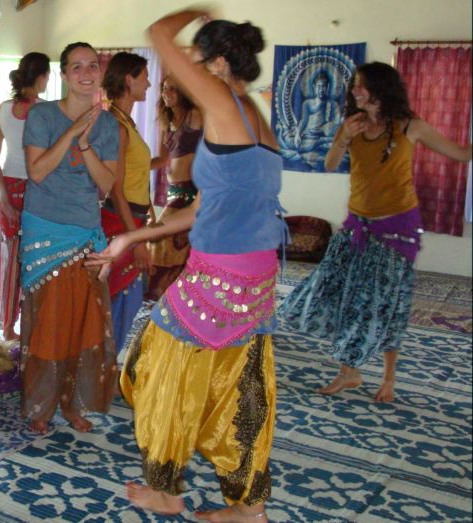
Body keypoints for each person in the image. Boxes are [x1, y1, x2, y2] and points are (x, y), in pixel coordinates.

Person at [88, 11, 285, 521]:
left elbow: (156, 33)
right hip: (256, 277)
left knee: (154, 367)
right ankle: (250, 507)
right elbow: (202, 209)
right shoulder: (255, 118)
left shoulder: (222, 102)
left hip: (217, 279)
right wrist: (132, 236)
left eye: (195, 61)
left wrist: (196, 9)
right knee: (240, 386)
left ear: (218, 64)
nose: (182, 73)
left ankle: (166, 488)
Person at [281, 61, 473, 403]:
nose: (354, 91)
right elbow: (329, 164)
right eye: (354, 85)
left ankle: (388, 379)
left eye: (361, 85)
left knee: (388, 302)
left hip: (396, 230)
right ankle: (349, 372)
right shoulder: (352, 125)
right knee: (342, 295)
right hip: (357, 225)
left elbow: (460, 154)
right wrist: (342, 137)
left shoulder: (409, 126)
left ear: (381, 89)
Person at [19, 42, 119, 434]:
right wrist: (72, 131)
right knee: (50, 324)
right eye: (76, 67)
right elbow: (37, 172)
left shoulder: (109, 124)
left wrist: (85, 144)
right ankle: (40, 407)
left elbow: (107, 184)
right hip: (46, 229)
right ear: (64, 74)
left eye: (91, 66)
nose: (85, 73)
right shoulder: (42, 115)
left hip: (86, 232)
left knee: (85, 323)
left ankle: (74, 404)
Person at [99, 52, 160, 355]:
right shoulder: (117, 125)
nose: (149, 83)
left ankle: (103, 368)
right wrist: (133, 239)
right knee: (116, 301)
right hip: (119, 222)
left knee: (127, 299)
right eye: (145, 76)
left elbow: (134, 176)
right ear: (129, 79)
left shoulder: (127, 122)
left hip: (132, 221)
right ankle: (99, 370)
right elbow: (116, 190)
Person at [0, 52, 50, 342]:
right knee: (38, 257)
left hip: (9, 184)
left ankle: (8, 325)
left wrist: (2, 197)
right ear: (41, 77)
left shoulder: (3, 108)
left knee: (11, 258)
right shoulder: (48, 111)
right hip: (40, 187)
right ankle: (33, 320)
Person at [146, 77, 203, 300]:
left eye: (172, 89)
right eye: (163, 89)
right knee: (170, 245)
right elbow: (161, 160)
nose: (166, 93)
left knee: (163, 241)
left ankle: (172, 294)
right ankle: (173, 295)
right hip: (173, 191)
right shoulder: (165, 121)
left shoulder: (195, 116)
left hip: (190, 191)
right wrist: (134, 167)